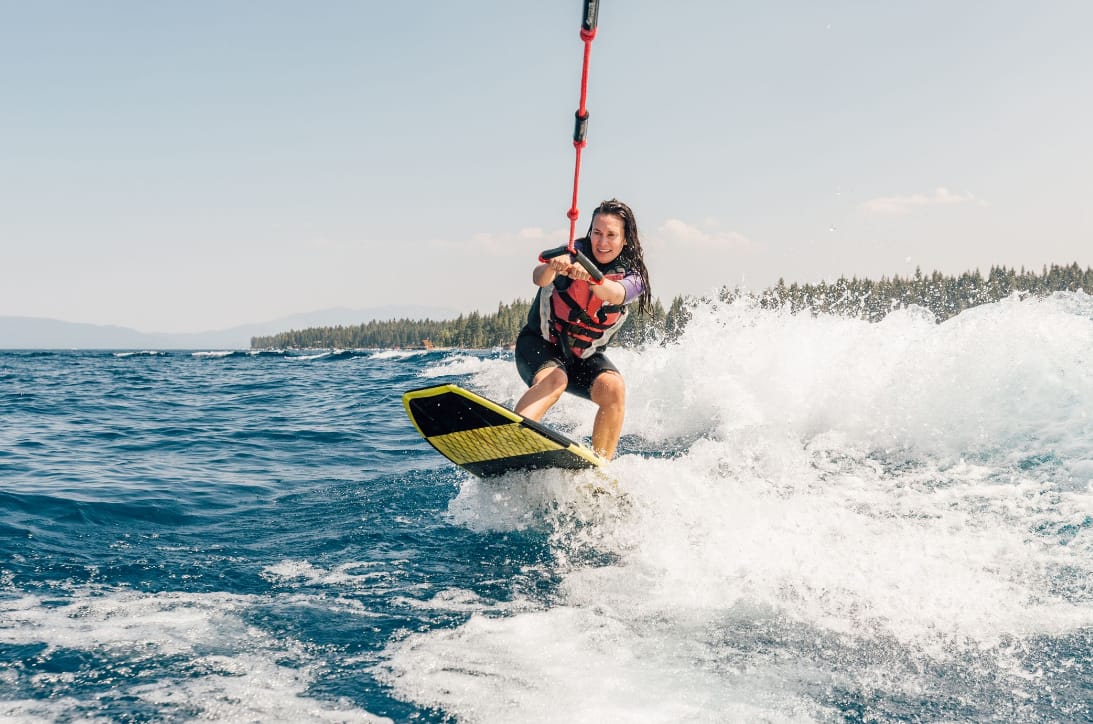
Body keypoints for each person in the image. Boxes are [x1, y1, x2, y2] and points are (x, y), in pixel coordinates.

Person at [514, 198, 652, 460]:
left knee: (614, 388)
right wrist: (555, 266)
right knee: (556, 379)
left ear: (625, 239)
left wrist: (588, 275)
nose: (602, 242)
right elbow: (538, 277)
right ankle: (512, 437)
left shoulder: (634, 276)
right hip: (539, 345)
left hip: (582, 357)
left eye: (611, 235)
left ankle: (601, 466)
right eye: (597, 233)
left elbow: (613, 293)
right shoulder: (573, 251)